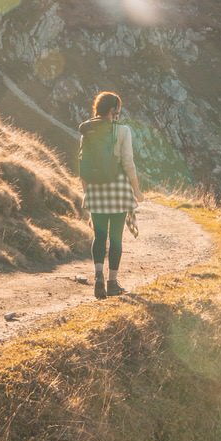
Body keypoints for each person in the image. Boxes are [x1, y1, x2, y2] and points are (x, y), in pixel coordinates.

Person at [79, 91, 144, 300]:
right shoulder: (123, 131)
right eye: (118, 109)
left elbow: (83, 164)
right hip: (118, 189)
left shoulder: (87, 130)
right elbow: (127, 162)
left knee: (99, 236)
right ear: (112, 110)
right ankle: (112, 282)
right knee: (116, 237)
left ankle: (98, 276)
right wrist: (136, 189)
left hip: (96, 189)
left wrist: (86, 191)